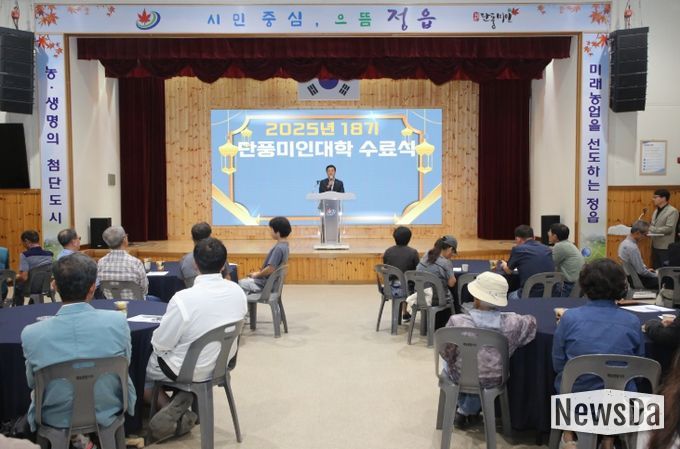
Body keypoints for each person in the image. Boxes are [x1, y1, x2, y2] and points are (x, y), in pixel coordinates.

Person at [21, 253, 136, 433]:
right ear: (92, 288)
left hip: (54, 415)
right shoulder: (118, 322)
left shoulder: (31, 333)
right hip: (108, 407)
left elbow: (31, 381)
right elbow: (125, 363)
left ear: (55, 286)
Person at [145, 237, 246, 440]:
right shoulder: (238, 291)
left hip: (186, 370)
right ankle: (183, 398)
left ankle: (171, 409)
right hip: (221, 365)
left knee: (142, 369)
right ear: (224, 264)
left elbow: (160, 343)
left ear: (195, 264)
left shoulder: (183, 299)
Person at [552, 259, 644, 449]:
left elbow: (558, 364)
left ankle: (569, 436)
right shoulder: (633, 321)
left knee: (564, 380)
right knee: (623, 384)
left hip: (577, 396)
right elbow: (639, 369)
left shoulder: (569, 318)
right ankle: (609, 440)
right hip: (620, 401)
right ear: (621, 287)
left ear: (585, 285)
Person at [441, 272, 536, 428]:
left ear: (476, 297)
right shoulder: (513, 322)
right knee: (477, 366)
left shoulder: (457, 322)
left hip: (461, 374)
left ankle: (465, 409)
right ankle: (467, 410)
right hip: (496, 377)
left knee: (451, 361)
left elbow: (446, 352)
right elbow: (531, 324)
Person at [239, 216, 290, 295]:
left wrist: (257, 275)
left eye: (271, 229)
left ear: (277, 232)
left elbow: (270, 269)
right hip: (272, 283)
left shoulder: (278, 249)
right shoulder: (285, 246)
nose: (270, 232)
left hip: (265, 285)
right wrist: (258, 273)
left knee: (239, 284)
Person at [97, 225, 151, 300]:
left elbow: (101, 288)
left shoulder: (100, 263)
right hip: (136, 304)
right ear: (124, 239)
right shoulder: (136, 263)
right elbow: (144, 290)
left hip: (112, 304)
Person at [501, 225, 554, 300]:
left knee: (508, 296)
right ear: (534, 237)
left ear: (518, 239)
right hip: (551, 293)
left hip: (530, 294)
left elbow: (508, 271)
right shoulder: (547, 248)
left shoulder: (518, 249)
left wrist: (504, 265)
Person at [410, 235, 458, 313]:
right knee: (454, 293)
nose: (452, 255)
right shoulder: (446, 263)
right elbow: (451, 283)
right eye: (453, 252)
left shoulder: (426, 255)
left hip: (420, 296)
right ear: (450, 249)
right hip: (437, 300)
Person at [383, 226, 420, 321]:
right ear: (409, 238)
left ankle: (404, 312)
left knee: (401, 280)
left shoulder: (388, 251)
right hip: (406, 289)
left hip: (389, 287)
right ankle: (405, 311)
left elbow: (386, 268)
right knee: (410, 281)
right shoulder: (413, 252)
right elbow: (417, 270)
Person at [14, 230, 53, 306]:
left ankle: (19, 308)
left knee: (18, 285)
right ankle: (32, 305)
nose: (22, 244)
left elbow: (24, 277)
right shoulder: (49, 254)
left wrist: (15, 277)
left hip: (30, 288)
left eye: (22, 242)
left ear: (26, 241)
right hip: (45, 286)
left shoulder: (25, 255)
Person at [618, 220, 658, 289]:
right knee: (666, 280)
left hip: (633, 278)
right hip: (639, 281)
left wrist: (647, 270)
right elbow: (641, 272)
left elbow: (640, 269)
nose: (645, 237)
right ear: (637, 233)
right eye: (645, 235)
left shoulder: (623, 243)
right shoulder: (632, 248)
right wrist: (656, 275)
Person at [548, 223, 585, 297]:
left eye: (550, 232)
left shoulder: (559, 246)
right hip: (578, 283)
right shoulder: (568, 244)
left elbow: (551, 265)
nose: (548, 233)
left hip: (569, 285)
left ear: (555, 236)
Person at [648, 189, 679, 268]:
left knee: (665, 270)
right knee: (656, 268)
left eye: (655, 197)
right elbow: (653, 225)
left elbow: (669, 229)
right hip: (655, 245)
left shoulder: (672, 211)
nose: (653, 199)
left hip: (665, 247)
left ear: (663, 198)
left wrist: (650, 228)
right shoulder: (656, 210)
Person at [178, 222, 212, 286]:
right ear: (210, 237)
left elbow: (181, 283)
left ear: (192, 238)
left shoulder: (184, 260)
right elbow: (227, 278)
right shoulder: (219, 256)